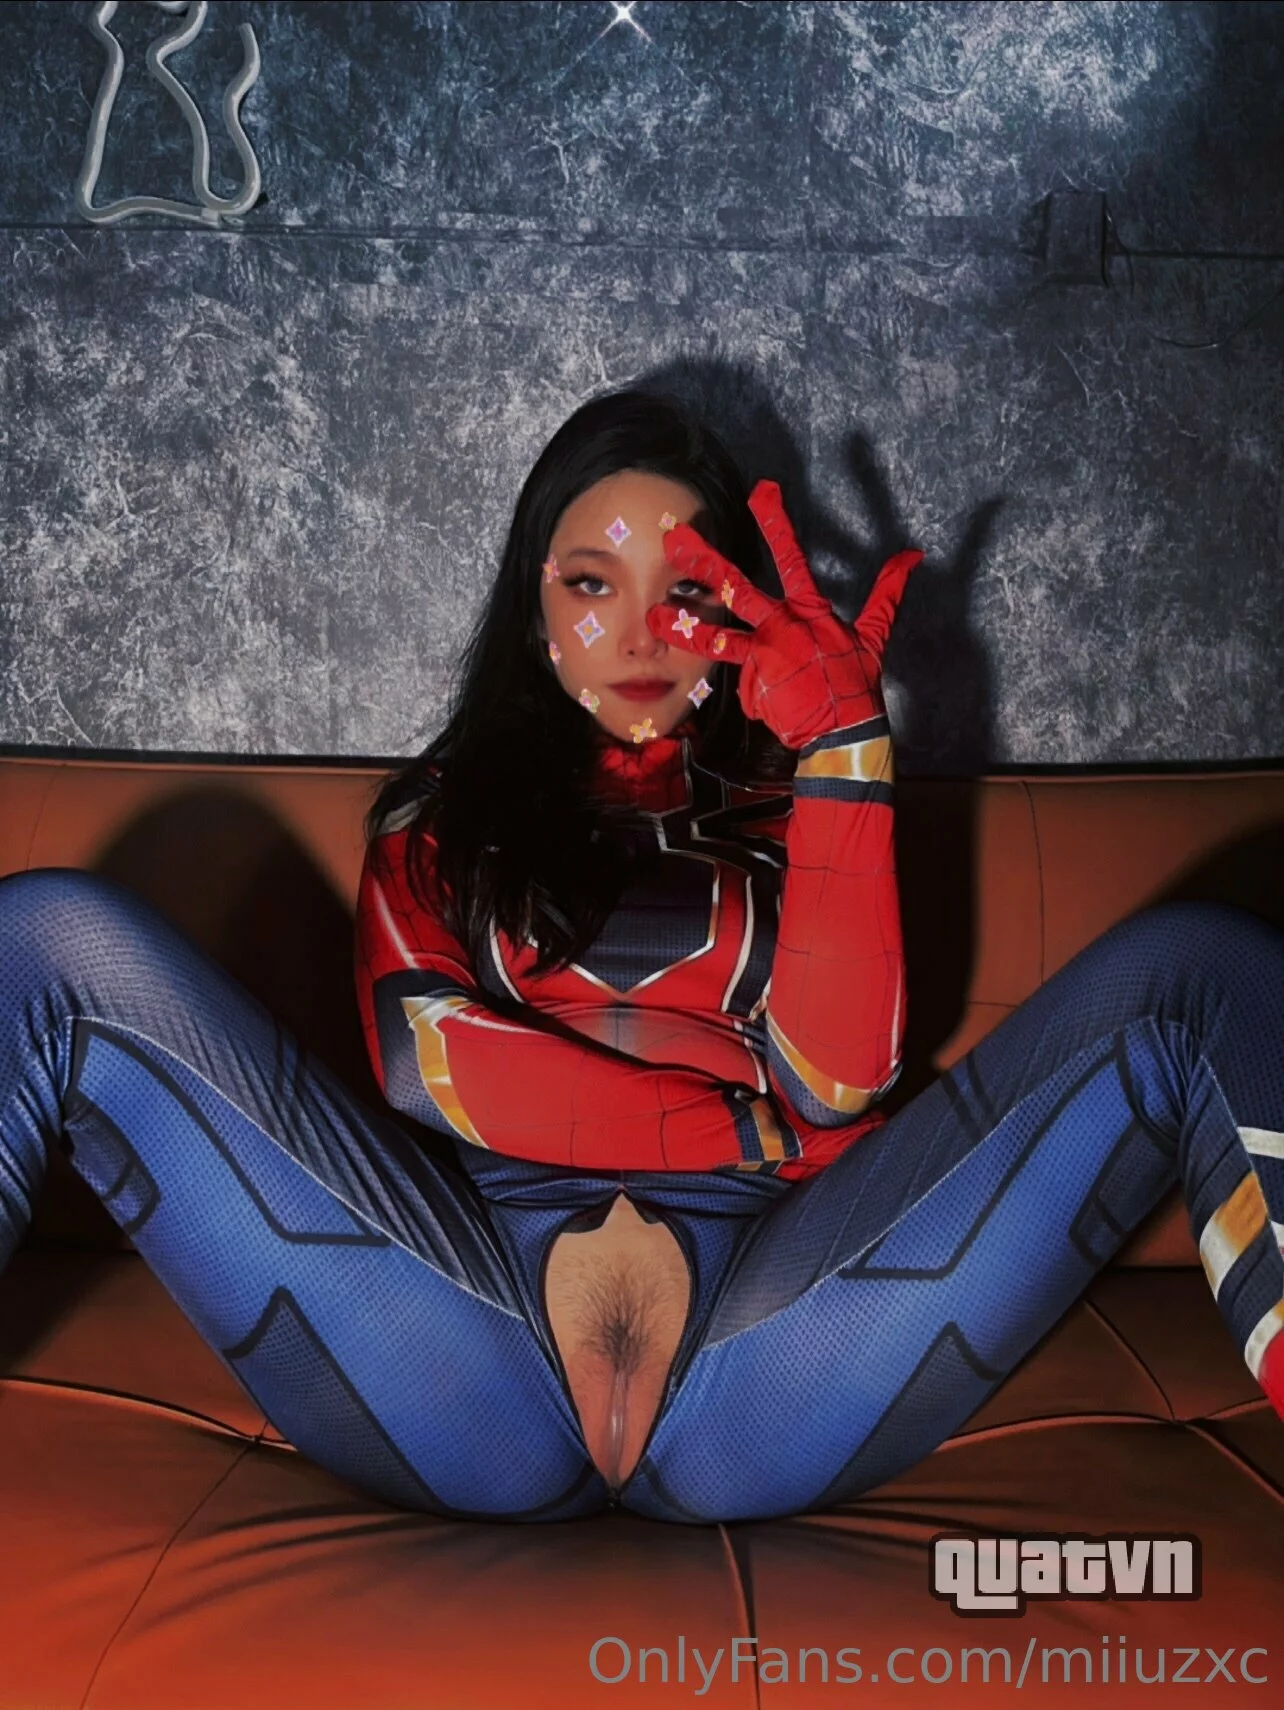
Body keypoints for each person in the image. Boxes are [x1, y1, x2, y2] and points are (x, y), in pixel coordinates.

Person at [1, 389, 1282, 1527]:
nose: (640, 634)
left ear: (735, 607)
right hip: (460, 1345)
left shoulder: (797, 803)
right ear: (533, 609)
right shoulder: (438, 816)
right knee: (51, 938)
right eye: (590, 583)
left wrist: (844, 751)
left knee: (1198, 971)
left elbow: (840, 1079)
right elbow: (428, 1062)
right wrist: (753, 1132)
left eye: (686, 590)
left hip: (773, 1354)